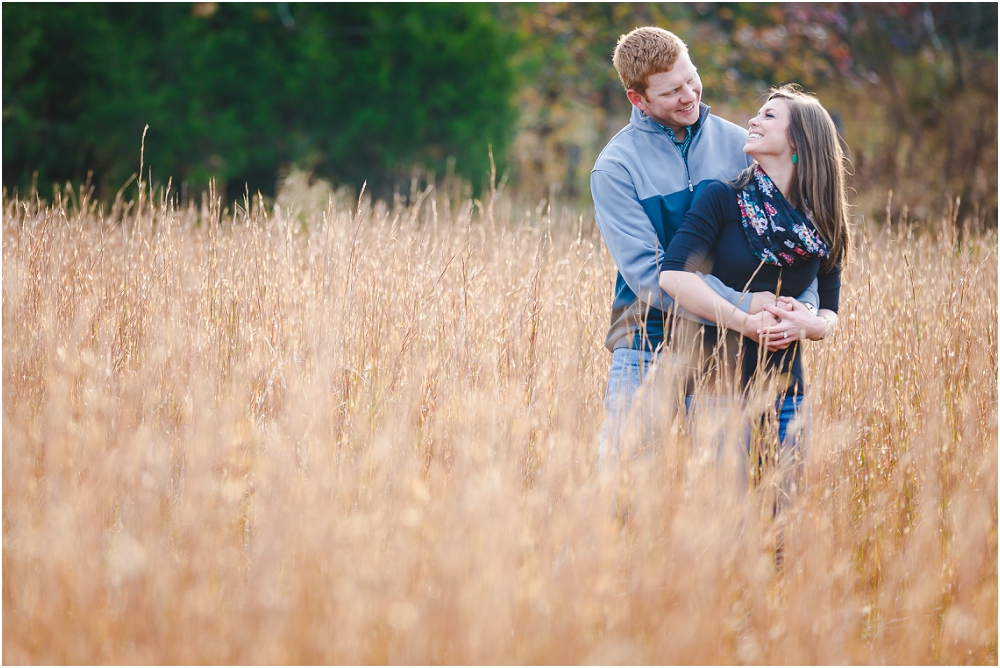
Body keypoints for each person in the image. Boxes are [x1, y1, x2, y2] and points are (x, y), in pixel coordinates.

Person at [591, 26, 818, 467]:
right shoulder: (615, 168)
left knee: (720, 494)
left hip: (727, 348)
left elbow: (798, 240)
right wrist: (744, 304)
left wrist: (803, 309)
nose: (689, 94)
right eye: (671, 91)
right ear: (638, 100)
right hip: (646, 344)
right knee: (618, 488)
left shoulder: (744, 147)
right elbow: (648, 275)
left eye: (690, 78)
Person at [658, 84, 851, 510]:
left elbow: (831, 310)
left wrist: (813, 324)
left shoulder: (824, 219)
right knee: (728, 525)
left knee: (781, 528)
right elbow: (674, 276)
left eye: (768, 116)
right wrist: (743, 319)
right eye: (757, 113)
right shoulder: (722, 198)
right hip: (716, 389)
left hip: (787, 395)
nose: (752, 120)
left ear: (799, 141)